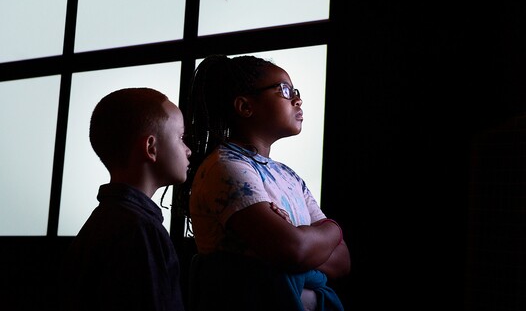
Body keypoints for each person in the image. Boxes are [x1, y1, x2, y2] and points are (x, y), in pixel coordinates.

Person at [174, 54, 350, 311]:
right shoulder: (225, 167)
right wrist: (332, 230)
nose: (297, 99)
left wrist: (301, 247)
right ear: (245, 107)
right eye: (284, 90)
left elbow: (342, 261)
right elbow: (294, 250)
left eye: (296, 91)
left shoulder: (289, 176)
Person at [59, 87, 192, 311]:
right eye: (180, 137)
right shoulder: (139, 229)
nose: (188, 150)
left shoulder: (106, 219)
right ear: (151, 147)